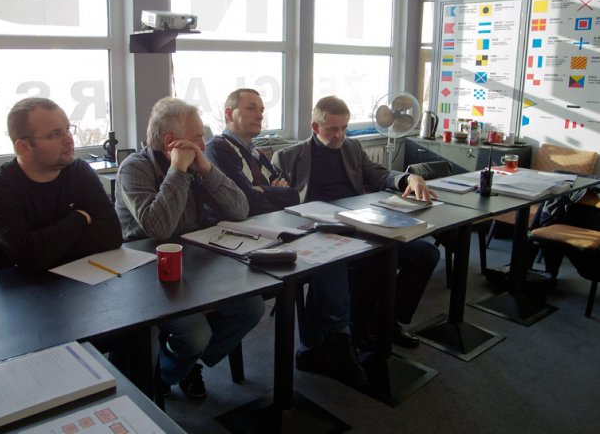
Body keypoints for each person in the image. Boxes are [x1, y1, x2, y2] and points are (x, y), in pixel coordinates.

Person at [205, 88, 368, 388]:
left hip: (271, 230)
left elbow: (291, 194)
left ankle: (329, 339)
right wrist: (269, 192)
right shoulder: (218, 149)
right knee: (328, 255)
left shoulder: (255, 152)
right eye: (251, 108)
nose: (260, 114)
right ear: (228, 114)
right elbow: (246, 202)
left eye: (261, 108)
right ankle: (332, 339)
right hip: (239, 240)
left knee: (335, 251)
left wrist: (264, 192)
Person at [115, 96, 265, 399]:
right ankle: (173, 368)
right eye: (197, 137)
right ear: (171, 141)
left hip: (194, 263)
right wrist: (178, 170)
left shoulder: (198, 162)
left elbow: (240, 210)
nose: (203, 143)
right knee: (196, 334)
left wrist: (207, 170)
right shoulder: (134, 169)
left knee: (251, 308)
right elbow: (159, 229)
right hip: (147, 272)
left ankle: (176, 365)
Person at [272, 95, 440, 349]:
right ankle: (339, 336)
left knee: (425, 253)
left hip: (358, 223)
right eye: (332, 129)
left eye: (344, 128)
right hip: (317, 231)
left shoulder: (352, 148)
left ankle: (386, 321)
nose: (339, 135)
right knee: (349, 262)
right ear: (315, 127)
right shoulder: (288, 157)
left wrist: (408, 179)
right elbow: (278, 205)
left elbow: (379, 175)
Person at [0, 97, 122, 272]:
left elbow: (112, 235)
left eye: (68, 129)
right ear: (24, 147)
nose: (69, 140)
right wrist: (80, 218)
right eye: (55, 134)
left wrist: (49, 248)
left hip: (77, 277)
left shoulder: (80, 171)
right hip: (14, 285)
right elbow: (30, 258)